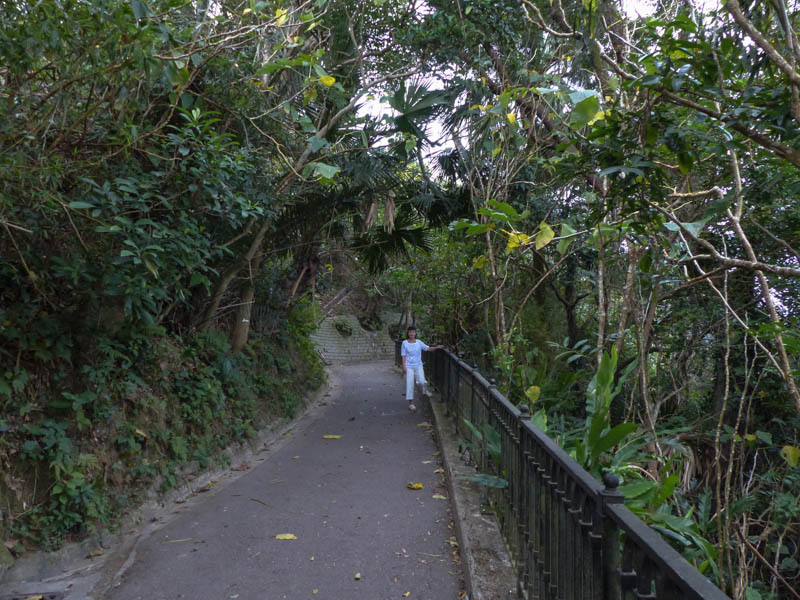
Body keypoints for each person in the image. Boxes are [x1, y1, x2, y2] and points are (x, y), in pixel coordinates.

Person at [401, 326, 444, 412]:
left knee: (422, 380)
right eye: (410, 332)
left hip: (418, 365)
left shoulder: (419, 342)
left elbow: (427, 348)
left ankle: (425, 390)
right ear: (408, 333)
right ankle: (411, 404)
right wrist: (404, 366)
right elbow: (403, 355)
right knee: (410, 384)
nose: (411, 333)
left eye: (413, 332)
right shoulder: (404, 343)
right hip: (409, 366)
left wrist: (437, 347)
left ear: (415, 333)